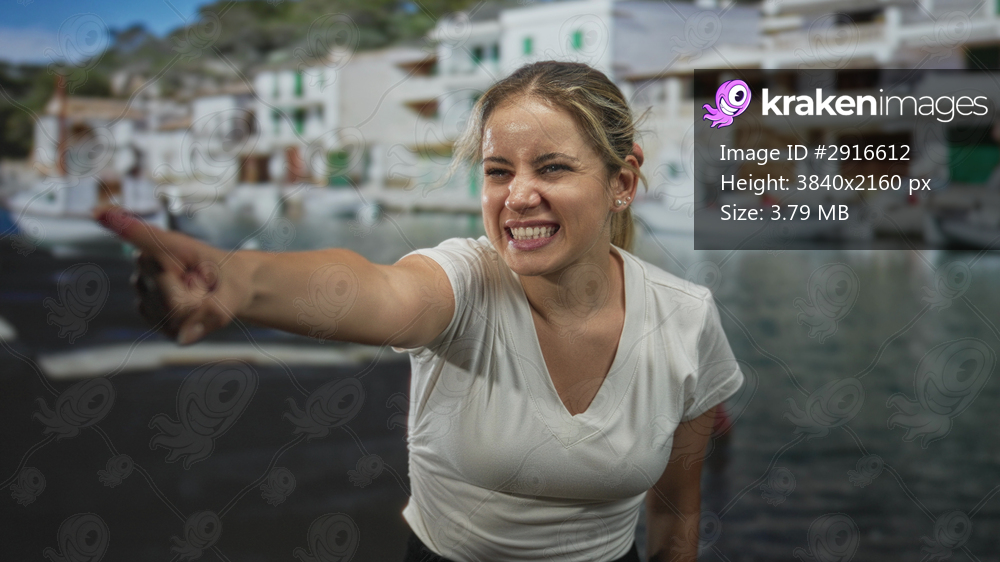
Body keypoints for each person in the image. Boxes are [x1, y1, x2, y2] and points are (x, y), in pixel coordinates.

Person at [96, 60, 744, 562]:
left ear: (621, 183)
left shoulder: (686, 319)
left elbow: (675, 515)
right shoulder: (465, 281)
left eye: (552, 168)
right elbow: (375, 290)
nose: (518, 196)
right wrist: (241, 281)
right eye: (498, 171)